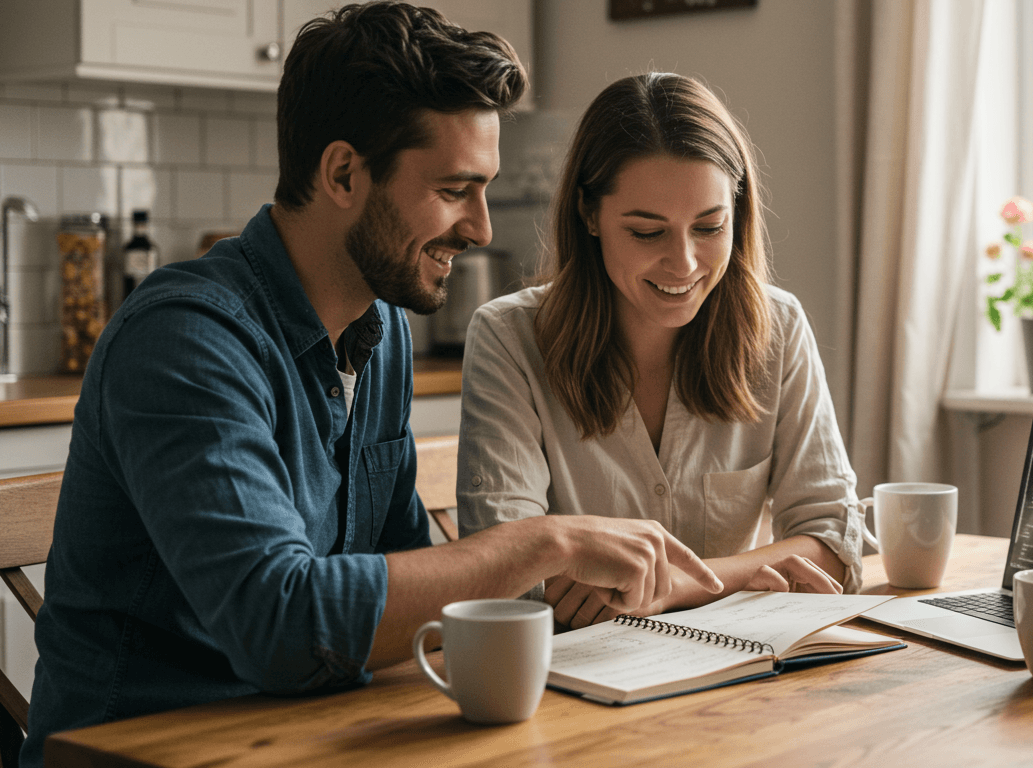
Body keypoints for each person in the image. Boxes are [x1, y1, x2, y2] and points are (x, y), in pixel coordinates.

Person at [20, 6, 721, 765]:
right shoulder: (185, 339)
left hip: (312, 740)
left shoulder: (378, 335)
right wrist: (544, 542)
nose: (482, 227)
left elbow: (413, 590)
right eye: (455, 188)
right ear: (344, 173)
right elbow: (280, 625)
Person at [457, 73, 864, 630]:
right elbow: (501, 568)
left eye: (709, 227)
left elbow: (832, 547)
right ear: (589, 214)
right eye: (647, 233)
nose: (685, 263)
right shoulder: (509, 339)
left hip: (743, 680)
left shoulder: (780, 326)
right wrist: (746, 573)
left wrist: (675, 586)